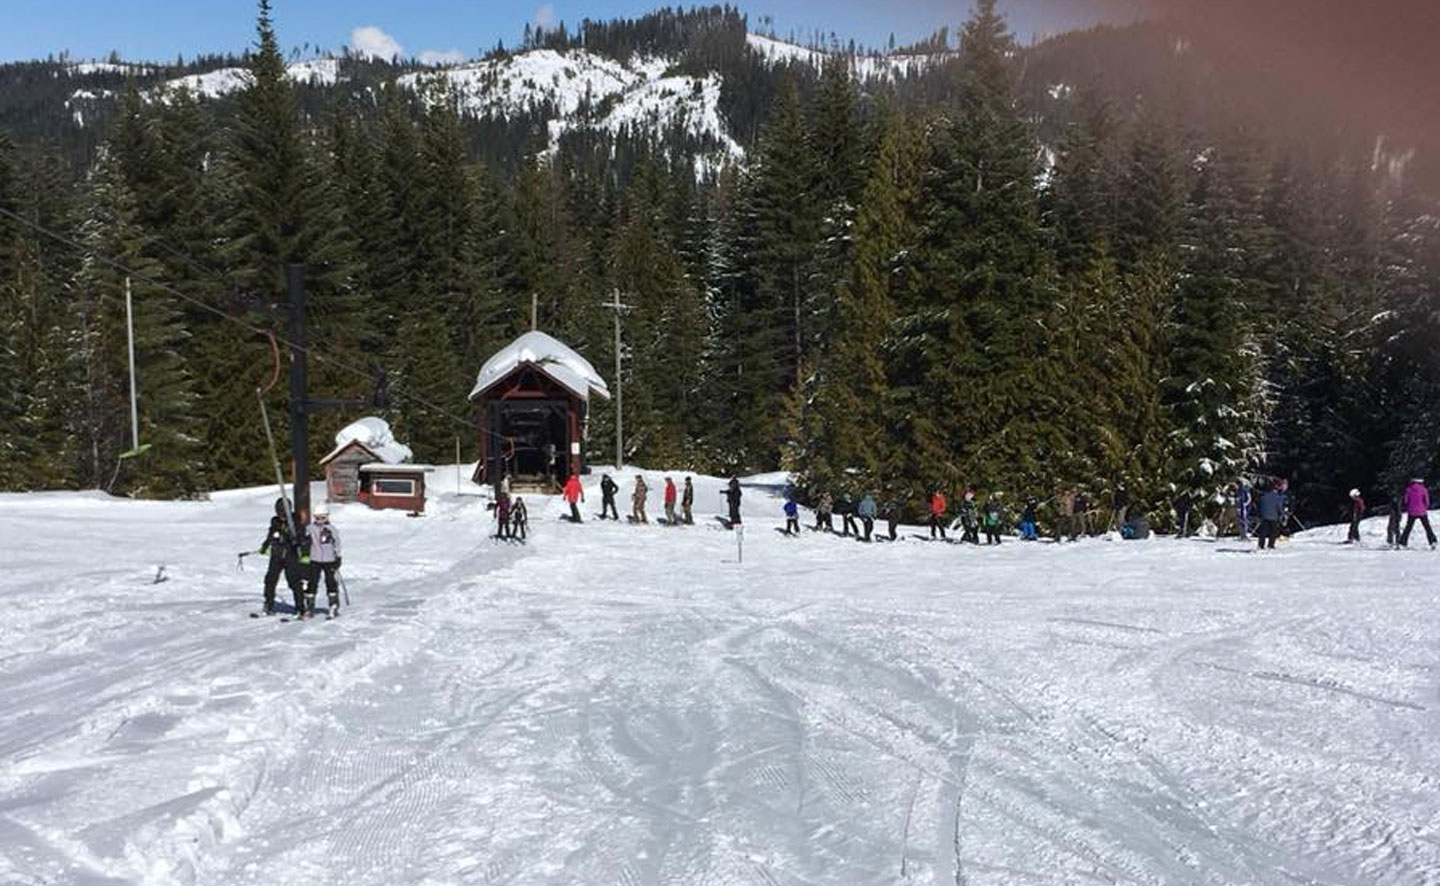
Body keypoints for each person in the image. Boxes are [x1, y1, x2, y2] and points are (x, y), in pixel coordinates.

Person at [258, 497, 304, 616]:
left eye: (283, 513)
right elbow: (271, 533)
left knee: (293, 581)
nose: (280, 515)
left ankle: (300, 607)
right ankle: (269, 604)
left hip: (290, 554)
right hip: (277, 554)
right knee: (270, 579)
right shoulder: (275, 521)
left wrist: (295, 539)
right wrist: (265, 545)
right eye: (279, 512)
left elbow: (300, 534)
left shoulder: (294, 520)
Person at [301, 505, 342, 619]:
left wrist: (338, 557)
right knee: (312, 582)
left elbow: (337, 544)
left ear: (327, 517)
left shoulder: (331, 529)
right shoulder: (310, 528)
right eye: (317, 518)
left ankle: (333, 605)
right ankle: (309, 606)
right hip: (315, 559)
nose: (320, 521)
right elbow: (304, 539)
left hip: (329, 560)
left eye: (322, 518)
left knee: (330, 581)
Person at [1399, 477, 1436, 549]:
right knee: (1427, 527)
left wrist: (1408, 507)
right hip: (1422, 511)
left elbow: (1406, 501)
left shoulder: (1408, 490)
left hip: (1411, 511)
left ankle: (1402, 542)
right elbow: (1427, 502)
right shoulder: (1424, 490)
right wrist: (1425, 508)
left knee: (1408, 527)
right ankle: (1432, 541)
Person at [1256, 478, 1285, 551]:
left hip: (1264, 516)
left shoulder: (1263, 496)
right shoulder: (1276, 497)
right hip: (1274, 516)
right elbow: (1279, 507)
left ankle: (1261, 545)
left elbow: (1259, 505)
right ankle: (1271, 545)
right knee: (1273, 532)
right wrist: (1281, 514)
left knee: (1263, 532)